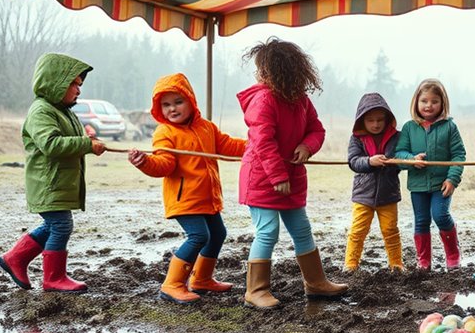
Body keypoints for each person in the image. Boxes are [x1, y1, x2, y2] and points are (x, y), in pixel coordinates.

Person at [238, 37, 347, 309]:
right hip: (263, 179)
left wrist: (307, 147)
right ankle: (256, 290)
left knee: (301, 229)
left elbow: (317, 130)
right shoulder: (263, 100)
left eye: (262, 69)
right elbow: (263, 142)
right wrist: (277, 177)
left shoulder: (301, 100)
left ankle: (315, 282)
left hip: (291, 177)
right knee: (268, 231)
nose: (258, 75)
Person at [128, 73, 246, 304]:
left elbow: (228, 145)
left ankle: (202, 279)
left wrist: (254, 146)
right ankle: (172, 284)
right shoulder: (166, 132)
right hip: (185, 199)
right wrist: (145, 162)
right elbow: (164, 164)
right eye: (166, 105)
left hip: (207, 197)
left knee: (218, 234)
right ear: (158, 108)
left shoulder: (206, 127)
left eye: (178, 102)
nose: (172, 109)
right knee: (199, 236)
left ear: (191, 101)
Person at [0, 53, 106, 293]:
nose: (78, 90)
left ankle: (15, 258)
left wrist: (86, 140)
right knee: (61, 225)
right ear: (56, 82)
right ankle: (53, 278)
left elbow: (70, 140)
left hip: (57, 183)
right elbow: (51, 144)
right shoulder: (41, 111)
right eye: (74, 84)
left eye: (80, 84)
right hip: (48, 183)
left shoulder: (62, 111)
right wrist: (87, 144)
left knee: (55, 224)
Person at [394, 79, 466, 270]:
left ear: (442, 103)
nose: (429, 105)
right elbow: (399, 154)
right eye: (424, 101)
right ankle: (423, 260)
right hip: (417, 185)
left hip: (441, 184)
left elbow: (459, 155)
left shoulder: (449, 127)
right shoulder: (409, 128)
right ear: (416, 102)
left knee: (441, 216)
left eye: (434, 101)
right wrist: (411, 159)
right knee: (421, 220)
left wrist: (452, 179)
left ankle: (453, 254)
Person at [345, 93, 404, 272]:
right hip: (363, 195)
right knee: (357, 231)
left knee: (391, 231)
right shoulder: (356, 138)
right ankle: (350, 265)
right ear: (361, 120)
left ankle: (396, 264)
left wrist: (395, 162)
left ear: (387, 119)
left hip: (389, 194)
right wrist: (370, 161)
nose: (376, 124)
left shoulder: (397, 137)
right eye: (370, 120)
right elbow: (353, 161)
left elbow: (401, 160)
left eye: (380, 119)